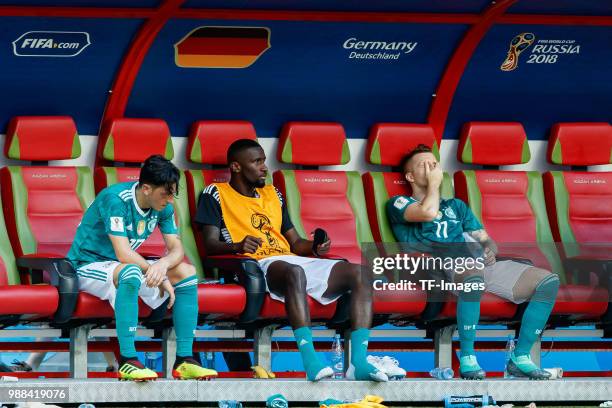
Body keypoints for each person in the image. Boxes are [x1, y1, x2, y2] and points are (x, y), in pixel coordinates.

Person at [195, 139, 387, 382]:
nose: (264, 167)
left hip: (290, 258)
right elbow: (210, 245)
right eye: (257, 162)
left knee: (360, 272)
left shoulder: (273, 194)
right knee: (295, 271)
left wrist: (316, 247)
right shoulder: (215, 194)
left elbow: (296, 243)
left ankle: (358, 362)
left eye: (264, 161)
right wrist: (237, 245)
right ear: (236, 167)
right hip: (253, 264)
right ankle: (311, 361)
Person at [386, 144, 559, 380]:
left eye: (434, 164)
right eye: (424, 165)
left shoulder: (456, 206)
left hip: (474, 263)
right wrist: (435, 184)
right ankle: (467, 357)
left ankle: (520, 357)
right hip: (433, 267)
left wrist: (488, 249)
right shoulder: (398, 202)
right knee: (471, 272)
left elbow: (486, 239)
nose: (432, 168)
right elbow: (426, 212)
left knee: (547, 282)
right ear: (409, 176)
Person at [67, 155, 216, 381]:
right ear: (146, 188)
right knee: (131, 270)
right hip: (87, 265)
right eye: (165, 193)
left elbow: (177, 249)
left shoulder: (164, 207)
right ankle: (128, 361)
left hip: (123, 267)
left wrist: (164, 266)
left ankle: (184, 360)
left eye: (173, 192)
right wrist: (155, 272)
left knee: (187, 272)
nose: (169, 199)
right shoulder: (115, 199)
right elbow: (123, 253)